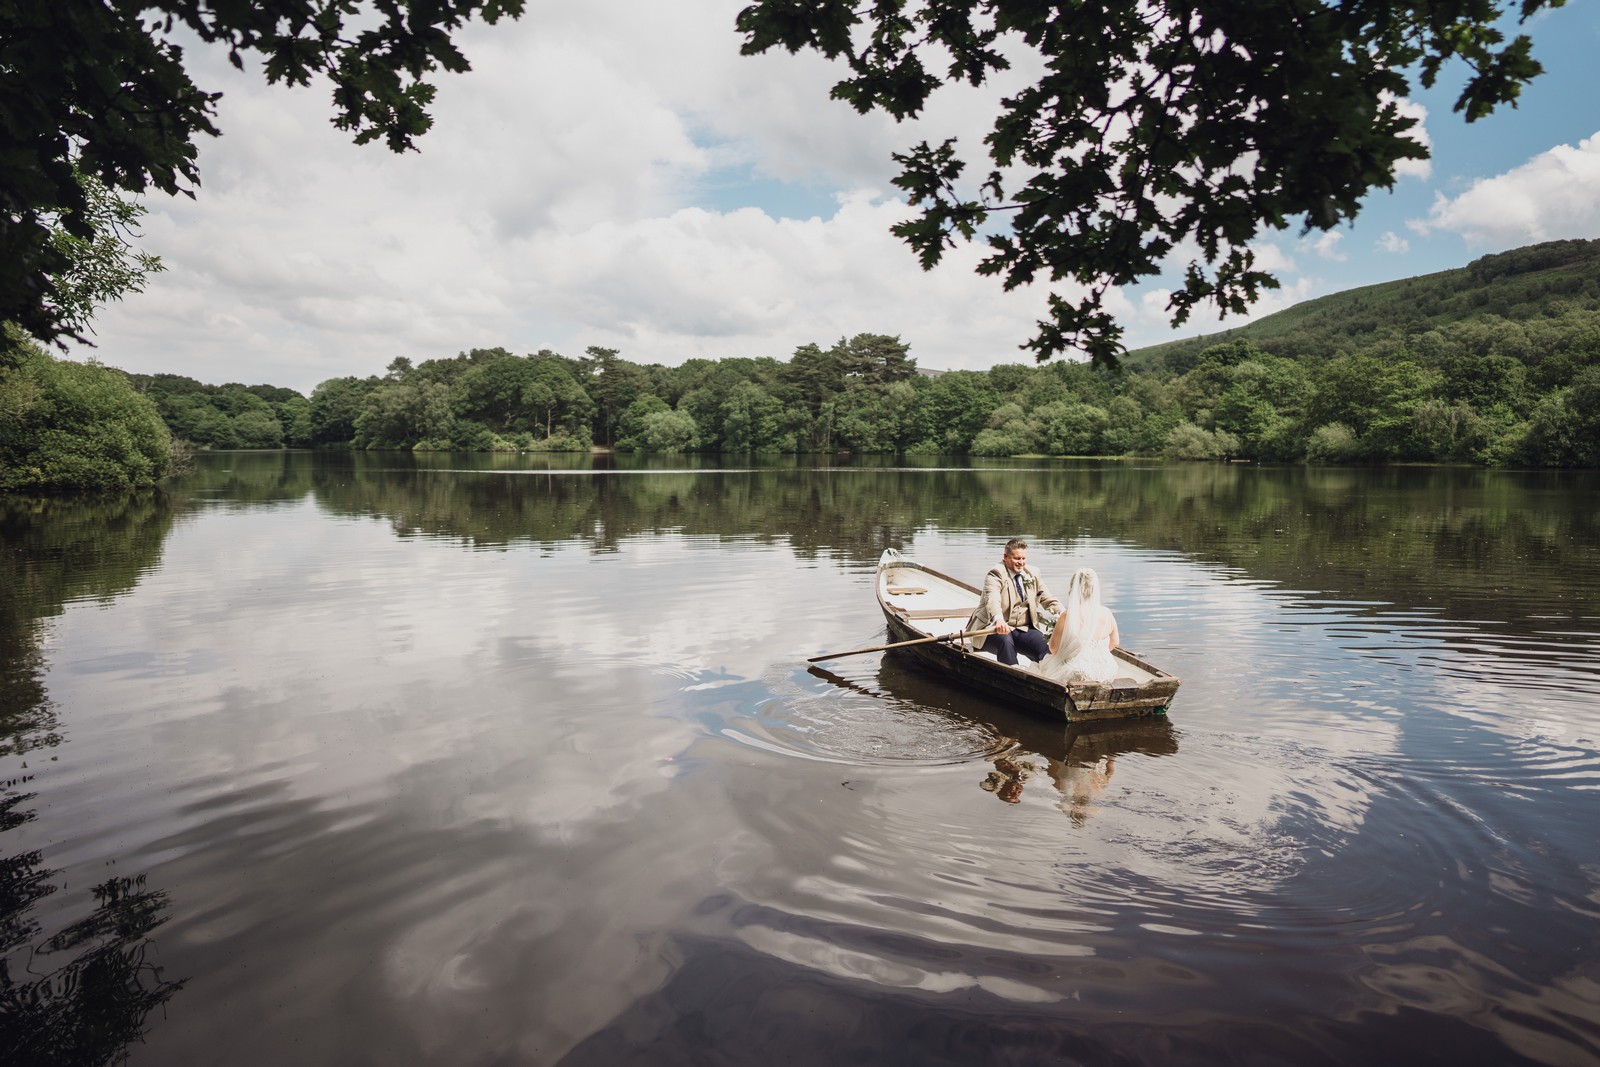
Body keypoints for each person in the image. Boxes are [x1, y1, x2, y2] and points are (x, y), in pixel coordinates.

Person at [971, 538, 1062, 666]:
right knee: (1005, 641)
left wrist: (1065, 614)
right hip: (991, 628)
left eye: (1023, 559)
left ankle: (1050, 677)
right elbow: (993, 599)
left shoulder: (1033, 573)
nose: (1021, 563)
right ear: (1005, 556)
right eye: (1017, 559)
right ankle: (1013, 678)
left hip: (1022, 628)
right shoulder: (995, 573)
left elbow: (1047, 599)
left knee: (1044, 648)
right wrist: (998, 619)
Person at [1039, 567, 1120, 683]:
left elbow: (1053, 648)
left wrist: (1069, 657)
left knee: (1046, 665)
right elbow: (1115, 642)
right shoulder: (1107, 613)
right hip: (1106, 669)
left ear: (1073, 588)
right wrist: (1096, 656)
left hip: (1078, 671)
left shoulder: (1068, 615)